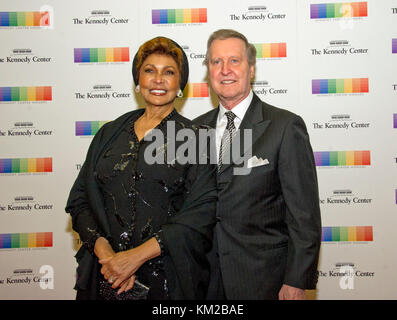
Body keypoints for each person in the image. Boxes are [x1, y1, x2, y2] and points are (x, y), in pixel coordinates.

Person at [65, 36, 217, 300]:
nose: (158, 79)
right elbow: (80, 201)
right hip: (104, 276)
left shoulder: (195, 138)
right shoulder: (109, 133)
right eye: (149, 70)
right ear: (138, 81)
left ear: (180, 85)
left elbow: (200, 215)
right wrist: (109, 258)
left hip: (168, 282)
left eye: (169, 72)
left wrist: (133, 259)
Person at [194, 29, 322, 300]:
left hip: (265, 282)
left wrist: (296, 281)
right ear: (208, 72)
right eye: (216, 62)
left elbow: (304, 215)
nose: (225, 70)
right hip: (203, 281)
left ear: (251, 70)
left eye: (234, 61)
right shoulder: (194, 130)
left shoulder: (285, 127)